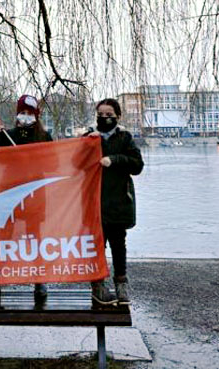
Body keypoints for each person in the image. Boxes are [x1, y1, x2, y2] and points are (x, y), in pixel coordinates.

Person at [0, 94, 53, 305]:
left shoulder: (44, 137)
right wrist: (0, 137)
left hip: (34, 193)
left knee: (35, 238)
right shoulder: (8, 134)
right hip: (9, 192)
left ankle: (39, 281)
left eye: (29, 113)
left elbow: (52, 162)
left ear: (36, 116)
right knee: (4, 237)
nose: (25, 116)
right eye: (22, 112)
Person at [85, 98, 144, 306]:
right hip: (94, 204)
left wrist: (115, 160)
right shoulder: (89, 137)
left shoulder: (125, 138)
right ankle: (98, 287)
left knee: (119, 247)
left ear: (117, 116)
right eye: (101, 114)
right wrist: (86, 144)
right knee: (96, 248)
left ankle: (121, 286)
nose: (105, 118)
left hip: (119, 203)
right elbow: (76, 164)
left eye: (109, 115)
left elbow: (137, 165)